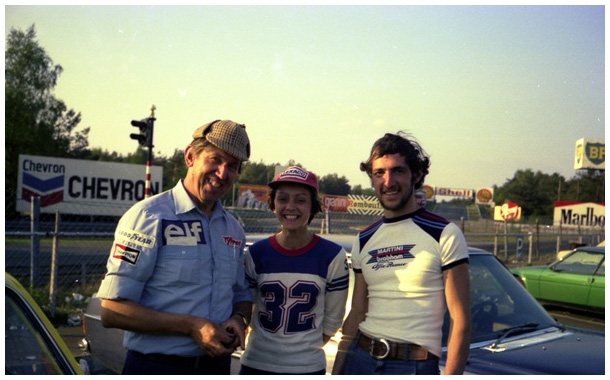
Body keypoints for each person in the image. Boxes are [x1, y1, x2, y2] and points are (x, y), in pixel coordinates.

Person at [96, 119, 253, 375]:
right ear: (190, 156)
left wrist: (239, 318)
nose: (223, 173)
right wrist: (191, 326)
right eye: (215, 160)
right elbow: (112, 311)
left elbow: (241, 295)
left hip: (216, 368)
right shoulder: (148, 217)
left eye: (232, 166)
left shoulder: (233, 229)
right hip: (155, 367)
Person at [332, 132, 471, 375]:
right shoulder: (363, 239)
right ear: (372, 179)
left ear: (416, 175)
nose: (388, 181)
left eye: (397, 171)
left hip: (413, 365)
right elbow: (356, 312)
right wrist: (339, 369)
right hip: (360, 359)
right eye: (379, 173)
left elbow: (461, 321)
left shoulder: (444, 234)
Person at [239, 166, 349, 375]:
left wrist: (300, 353)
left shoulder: (332, 256)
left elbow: (333, 319)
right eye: (282, 199)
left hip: (306, 366)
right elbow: (246, 307)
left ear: (313, 207)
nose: (291, 207)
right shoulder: (256, 253)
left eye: (300, 200)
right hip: (257, 361)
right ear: (273, 204)